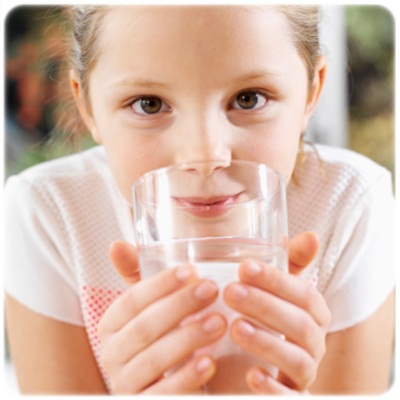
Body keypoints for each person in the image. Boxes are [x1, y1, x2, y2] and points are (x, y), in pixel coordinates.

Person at [4, 5, 395, 395]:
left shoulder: (350, 204)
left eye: (248, 99)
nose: (205, 156)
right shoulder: (48, 213)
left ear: (312, 91)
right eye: (149, 104)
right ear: (87, 105)